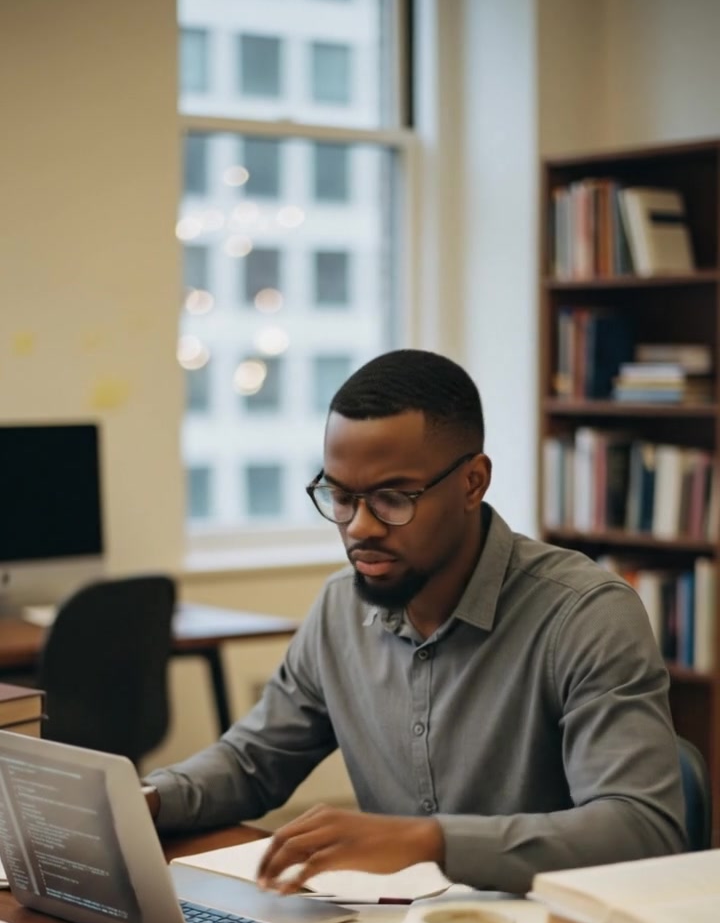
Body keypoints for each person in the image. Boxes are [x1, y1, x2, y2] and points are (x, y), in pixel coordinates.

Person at [143, 348, 687, 895]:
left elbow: (642, 830)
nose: (360, 527)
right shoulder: (340, 609)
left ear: (473, 483)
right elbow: (253, 762)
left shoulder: (584, 614)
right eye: (340, 496)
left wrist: (428, 842)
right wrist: (146, 800)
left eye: (392, 498)